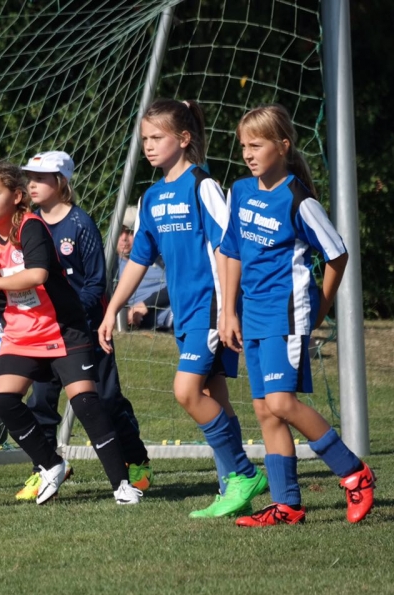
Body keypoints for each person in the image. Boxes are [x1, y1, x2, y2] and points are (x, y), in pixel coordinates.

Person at [99, 99, 268, 518]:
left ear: (184, 138)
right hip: (186, 314)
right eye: (145, 139)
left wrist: (228, 311)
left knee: (186, 391)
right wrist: (112, 309)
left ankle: (244, 473)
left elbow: (228, 248)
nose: (149, 146)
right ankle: (231, 487)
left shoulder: (202, 186)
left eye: (157, 137)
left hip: (211, 308)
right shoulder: (152, 197)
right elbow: (138, 260)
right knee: (213, 395)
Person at [0, 160, 142, 505]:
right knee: (4, 398)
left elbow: (37, 275)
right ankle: (51, 464)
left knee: (86, 403)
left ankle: (121, 485)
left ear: (17, 197)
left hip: (63, 327)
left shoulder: (31, 226)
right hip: (23, 331)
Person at [219, 104, 376, 527]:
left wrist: (321, 306)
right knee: (265, 412)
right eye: (243, 146)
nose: (248, 154)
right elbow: (231, 251)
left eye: (256, 145)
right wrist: (228, 311)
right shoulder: (240, 191)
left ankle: (354, 473)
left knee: (281, 403)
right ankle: (286, 505)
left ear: (283, 146)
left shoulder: (298, 200)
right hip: (252, 315)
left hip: (285, 316)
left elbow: (337, 254)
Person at [11, 150, 152, 502]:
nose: (32, 184)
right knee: (41, 401)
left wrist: (72, 311)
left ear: (61, 182)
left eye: (41, 178)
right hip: (44, 331)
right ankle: (45, 468)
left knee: (105, 399)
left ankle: (136, 461)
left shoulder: (80, 224)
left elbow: (95, 284)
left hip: (85, 329)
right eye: (30, 178)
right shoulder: (27, 224)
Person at [116, 207, 172, 332]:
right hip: (163, 319)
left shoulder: (159, 258)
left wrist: (147, 304)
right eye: (120, 232)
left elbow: (179, 284)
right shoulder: (111, 266)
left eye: (130, 232)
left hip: (180, 304)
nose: (124, 238)